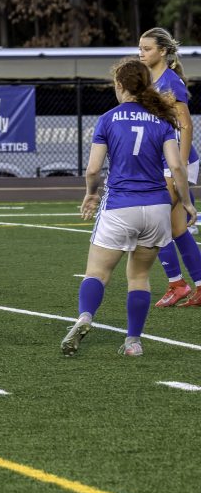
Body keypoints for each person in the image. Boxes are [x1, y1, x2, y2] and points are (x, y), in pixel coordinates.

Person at [61, 57, 196, 358]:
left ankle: (85, 317)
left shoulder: (108, 118)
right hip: (157, 209)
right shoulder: (162, 119)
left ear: (120, 85)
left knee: (97, 273)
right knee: (139, 278)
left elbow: (93, 169)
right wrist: (186, 201)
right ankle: (133, 341)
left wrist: (90, 194)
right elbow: (177, 167)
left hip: (120, 206)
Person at [137, 26, 201, 308]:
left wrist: (181, 167)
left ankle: (177, 284)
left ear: (162, 51)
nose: (141, 53)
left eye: (147, 48)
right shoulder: (149, 80)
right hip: (165, 161)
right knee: (176, 229)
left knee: (155, 222)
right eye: (140, 48)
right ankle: (195, 286)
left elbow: (186, 126)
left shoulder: (170, 82)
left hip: (177, 161)